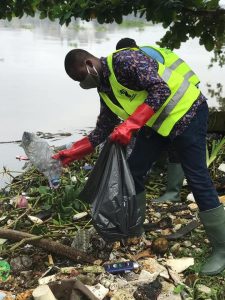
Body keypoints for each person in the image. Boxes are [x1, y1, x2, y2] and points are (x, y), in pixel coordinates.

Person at [52, 45, 225, 276]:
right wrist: (74, 151)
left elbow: (160, 90)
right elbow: (104, 126)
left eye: (81, 78)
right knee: (133, 171)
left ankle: (222, 248)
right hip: (157, 124)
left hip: (188, 113)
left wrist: (131, 124)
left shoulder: (125, 60)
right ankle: (135, 228)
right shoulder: (104, 88)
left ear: (89, 65)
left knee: (198, 179)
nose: (83, 84)